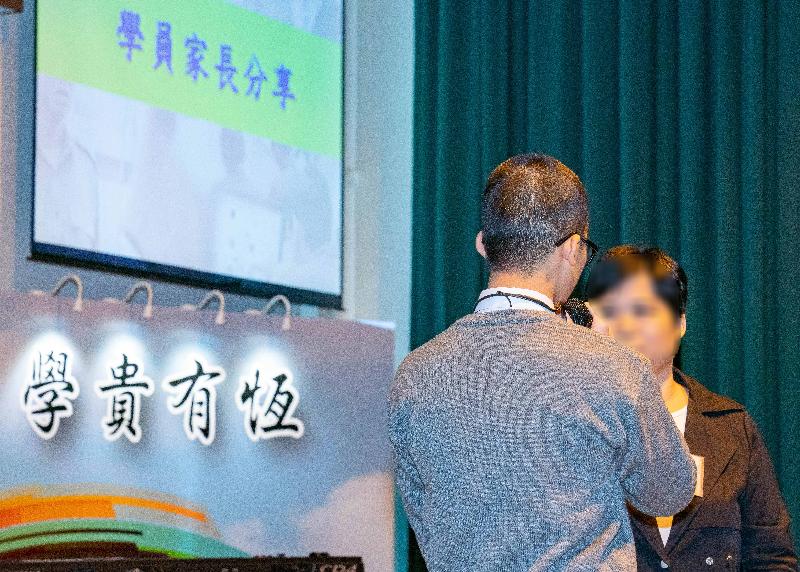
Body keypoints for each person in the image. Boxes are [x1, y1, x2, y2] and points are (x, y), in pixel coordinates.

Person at [389, 154, 697, 571]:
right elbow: (670, 492)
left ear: (483, 244)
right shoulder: (615, 367)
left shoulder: (412, 375)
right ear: (572, 248)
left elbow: (421, 518)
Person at [586, 246, 797, 571]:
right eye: (610, 312)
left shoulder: (731, 428)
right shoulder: (573, 426)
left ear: (680, 322)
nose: (625, 325)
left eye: (642, 309)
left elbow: (772, 557)